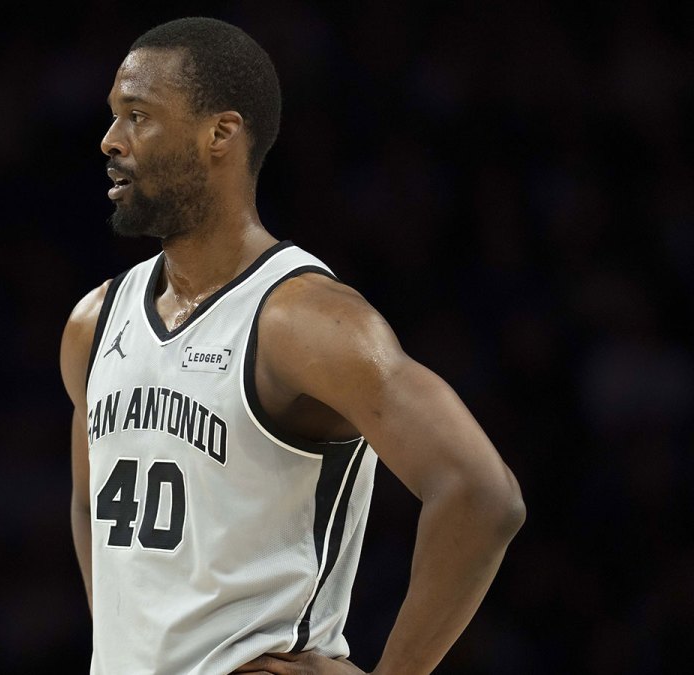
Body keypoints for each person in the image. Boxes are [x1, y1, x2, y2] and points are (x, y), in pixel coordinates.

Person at [58, 17, 526, 675]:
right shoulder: (94, 322)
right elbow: (90, 506)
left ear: (220, 133)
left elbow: (482, 493)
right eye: (113, 116)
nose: (110, 140)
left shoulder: (306, 321)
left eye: (137, 116)